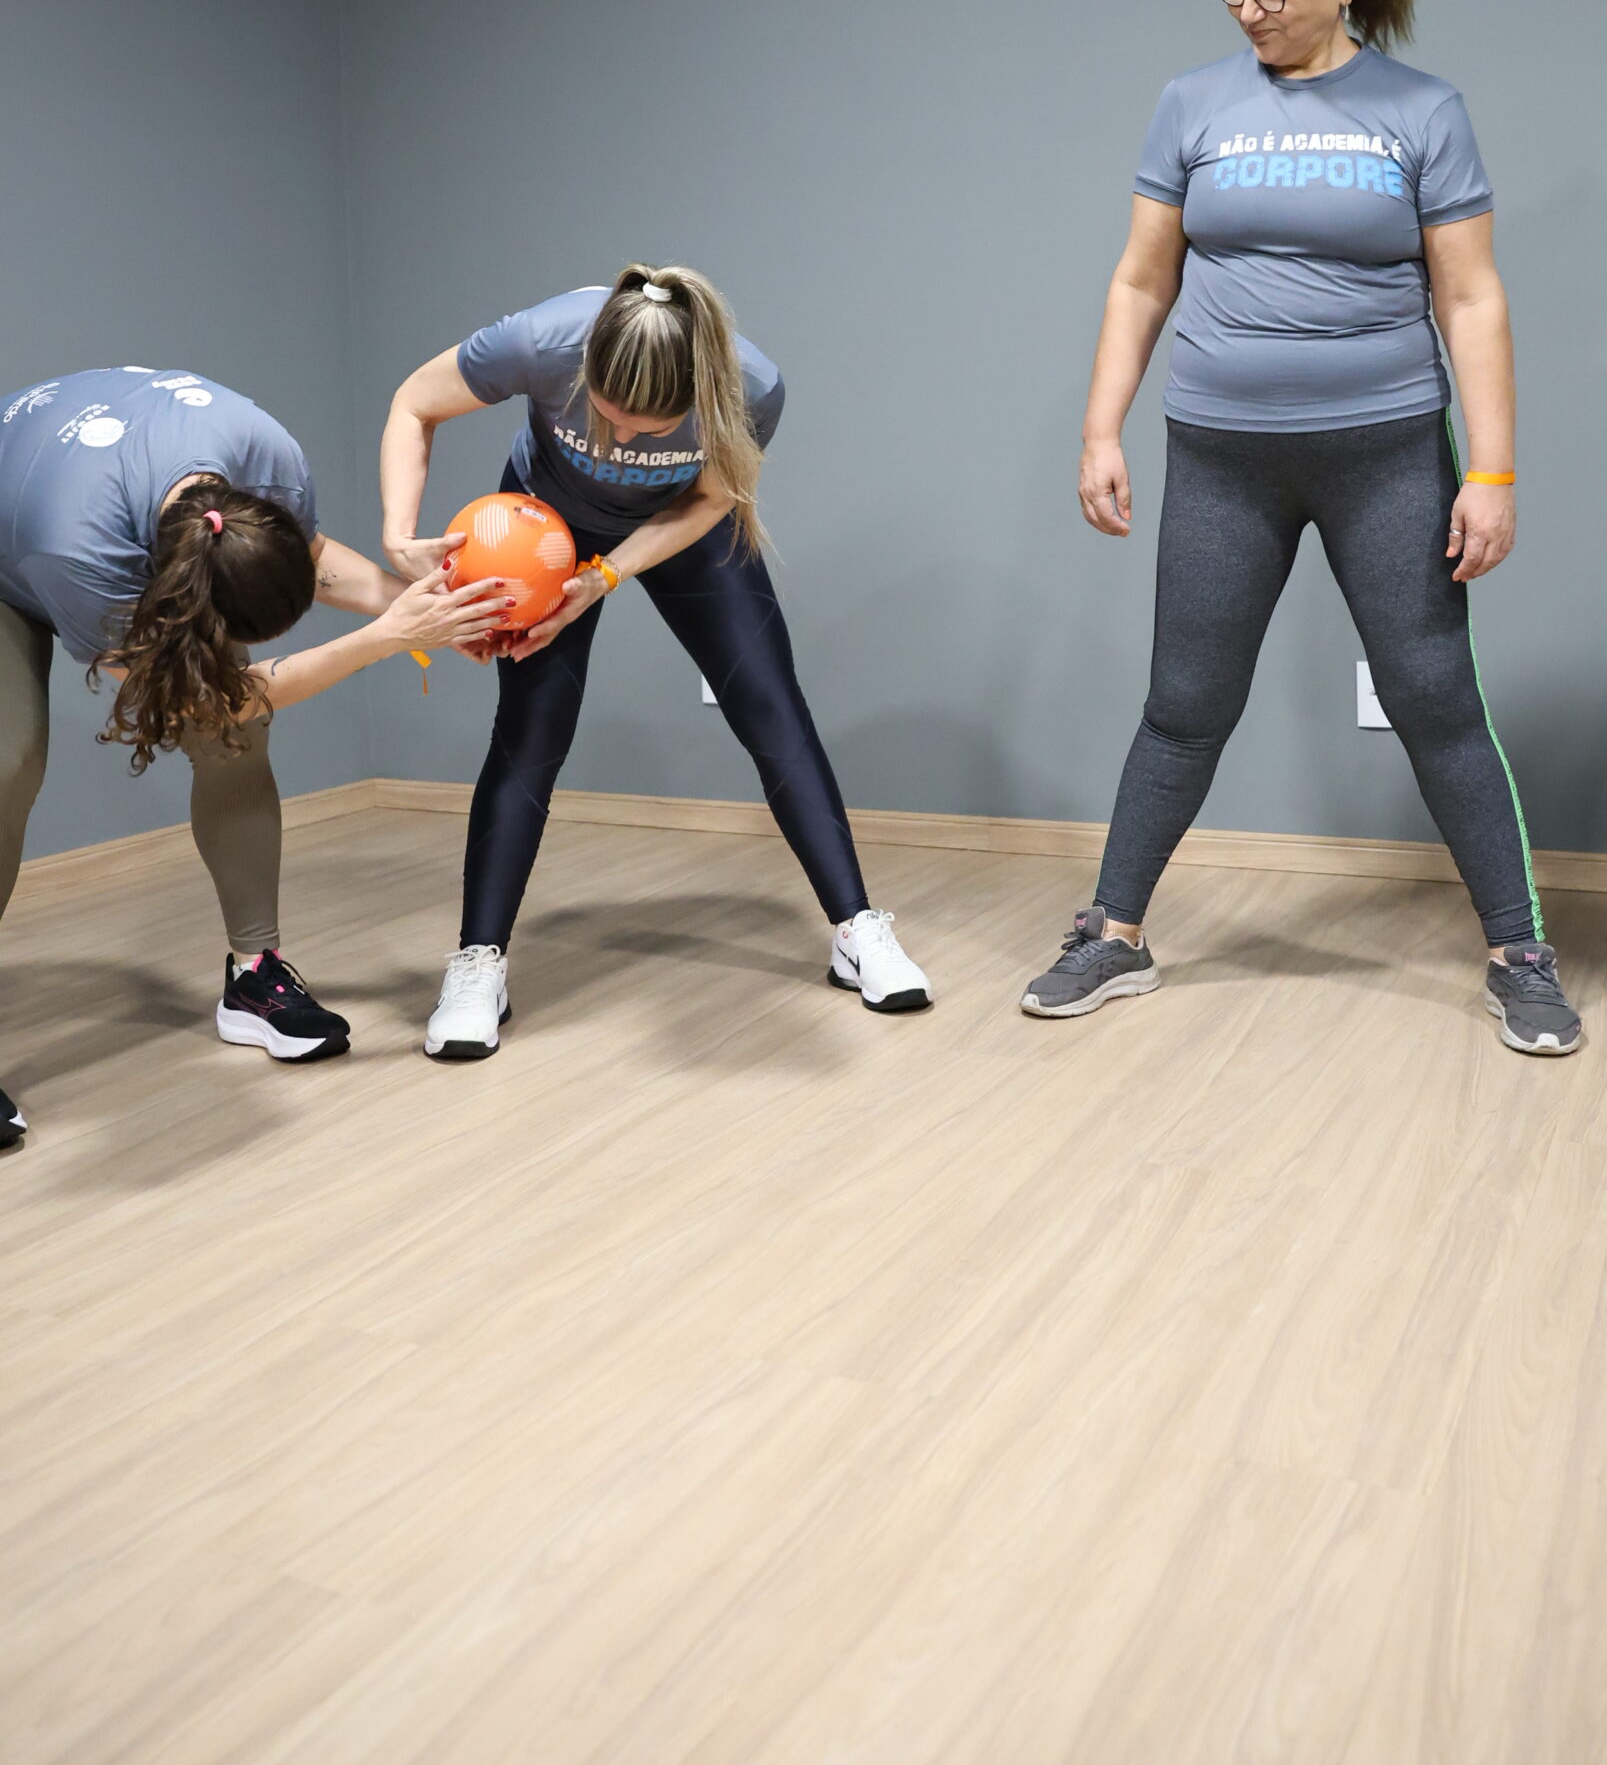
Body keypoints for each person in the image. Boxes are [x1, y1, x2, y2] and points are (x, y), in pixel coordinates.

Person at [1020, 0, 1578, 1055]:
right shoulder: (1192, 104)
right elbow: (1142, 278)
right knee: (1185, 704)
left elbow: (1471, 298)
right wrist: (1101, 425)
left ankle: (1520, 952)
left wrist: (1491, 471)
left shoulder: (1422, 112)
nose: (1248, 7)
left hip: (1386, 453)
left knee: (1435, 699)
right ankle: (1114, 933)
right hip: (1222, 454)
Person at [381, 267, 933, 1058]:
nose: (623, 441)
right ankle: (477, 964)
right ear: (585, 370)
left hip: (684, 527)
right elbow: (414, 402)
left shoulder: (751, 387)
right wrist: (399, 536)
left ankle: (856, 930)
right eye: (607, 417)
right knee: (533, 729)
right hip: (542, 527)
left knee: (770, 708)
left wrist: (606, 575)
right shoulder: (540, 342)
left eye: (648, 428)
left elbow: (711, 498)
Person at [0, 366, 508, 1145]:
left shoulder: (262, 455)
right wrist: (386, 639)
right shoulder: (76, 552)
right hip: (21, 540)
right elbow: (209, 699)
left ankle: (253, 976)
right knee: (10, 762)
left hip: (94, 497)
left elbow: (314, 555)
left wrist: (434, 609)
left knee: (237, 745)